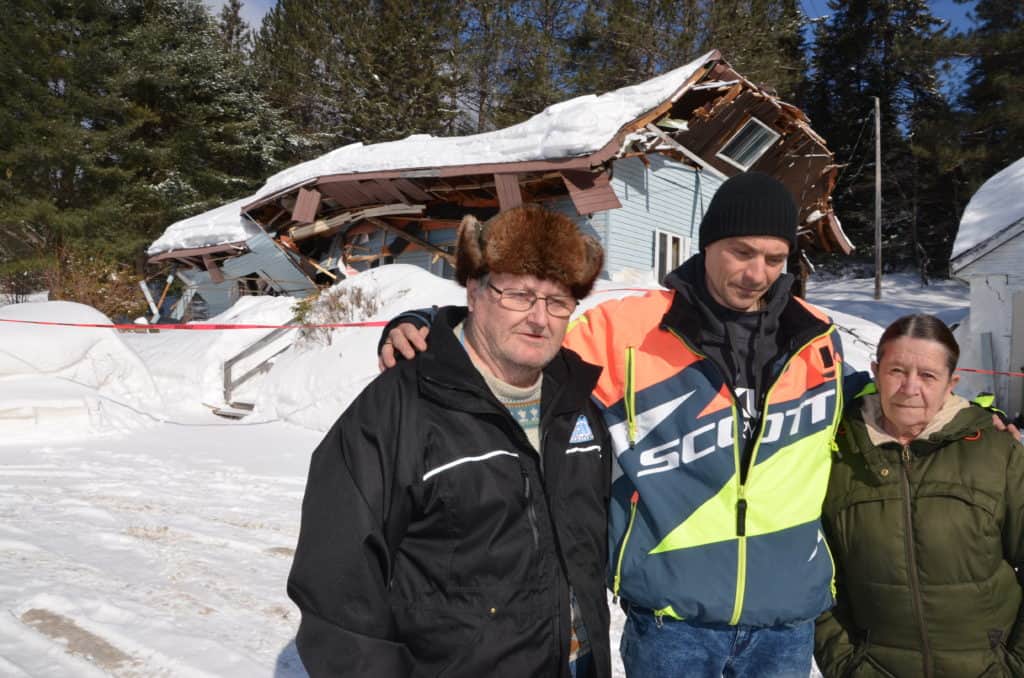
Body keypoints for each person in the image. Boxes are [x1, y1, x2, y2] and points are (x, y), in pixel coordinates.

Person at [381, 171, 846, 676]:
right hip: (673, 627)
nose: (757, 273)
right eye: (741, 252)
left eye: (774, 259)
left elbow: (892, 400)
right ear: (707, 244)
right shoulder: (624, 331)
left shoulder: (818, 339)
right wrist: (433, 324)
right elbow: (524, 343)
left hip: (785, 627)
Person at [287, 204, 613, 678]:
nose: (540, 318)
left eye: (558, 300)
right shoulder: (398, 408)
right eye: (519, 294)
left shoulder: (576, 402)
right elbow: (339, 587)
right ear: (475, 291)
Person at [814, 314, 1024, 678]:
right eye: (897, 371)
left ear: (951, 382)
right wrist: (845, 661)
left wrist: (1014, 663)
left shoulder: (996, 451)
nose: (910, 388)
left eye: (928, 376)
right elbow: (810, 569)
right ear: (876, 371)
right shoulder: (835, 449)